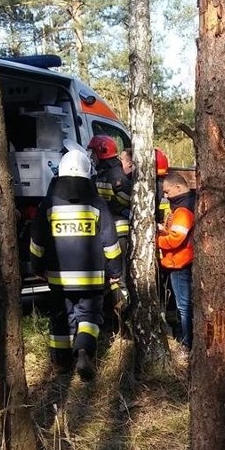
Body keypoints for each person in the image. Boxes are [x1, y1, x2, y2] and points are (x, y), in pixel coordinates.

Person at [30, 149, 123, 380]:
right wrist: (115, 271)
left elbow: (37, 242)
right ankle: (84, 352)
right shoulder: (97, 204)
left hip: (58, 278)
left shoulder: (48, 205)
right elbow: (110, 242)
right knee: (90, 317)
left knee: (61, 317)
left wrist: (37, 268)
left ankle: (61, 365)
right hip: (91, 278)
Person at [88, 135, 132, 323]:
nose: (92, 156)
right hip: (107, 232)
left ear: (102, 152)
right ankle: (113, 319)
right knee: (109, 278)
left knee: (118, 278)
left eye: (93, 152)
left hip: (118, 232)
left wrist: (113, 205)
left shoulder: (116, 175)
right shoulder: (104, 173)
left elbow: (129, 201)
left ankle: (123, 319)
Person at [156, 171, 195, 350]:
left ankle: (186, 344)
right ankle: (184, 338)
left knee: (184, 307)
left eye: (167, 191)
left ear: (178, 187)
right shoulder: (181, 206)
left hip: (180, 263)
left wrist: (155, 240)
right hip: (179, 262)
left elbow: (175, 239)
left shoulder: (183, 209)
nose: (165, 195)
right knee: (183, 306)